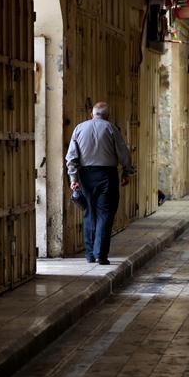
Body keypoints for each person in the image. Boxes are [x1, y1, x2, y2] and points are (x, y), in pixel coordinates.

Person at [66, 101, 135, 265]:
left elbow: (71, 157)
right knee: (105, 214)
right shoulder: (111, 128)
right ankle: (100, 255)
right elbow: (123, 153)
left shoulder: (79, 128)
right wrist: (127, 171)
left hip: (85, 175)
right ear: (107, 116)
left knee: (89, 212)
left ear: (92, 114)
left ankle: (89, 254)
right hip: (107, 175)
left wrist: (73, 179)